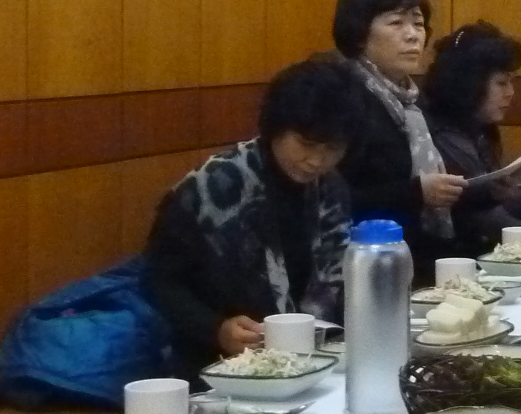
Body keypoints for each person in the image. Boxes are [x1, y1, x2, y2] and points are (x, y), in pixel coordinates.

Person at [143, 55, 365, 375]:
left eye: (332, 149)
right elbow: (159, 280)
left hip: (312, 359)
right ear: (276, 127)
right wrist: (216, 328)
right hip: (219, 365)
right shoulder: (211, 187)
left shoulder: (331, 190)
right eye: (306, 143)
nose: (316, 161)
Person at [332, 0, 465, 271]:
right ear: (358, 34)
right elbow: (328, 196)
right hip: (358, 262)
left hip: (415, 256)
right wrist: (416, 192)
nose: (413, 35)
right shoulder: (342, 97)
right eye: (396, 23)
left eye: (418, 23)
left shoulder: (412, 101)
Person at [422, 21, 521, 251]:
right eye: (501, 83)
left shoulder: (479, 127)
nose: (510, 93)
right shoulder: (442, 133)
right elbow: (475, 218)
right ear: (470, 84)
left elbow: (488, 208)